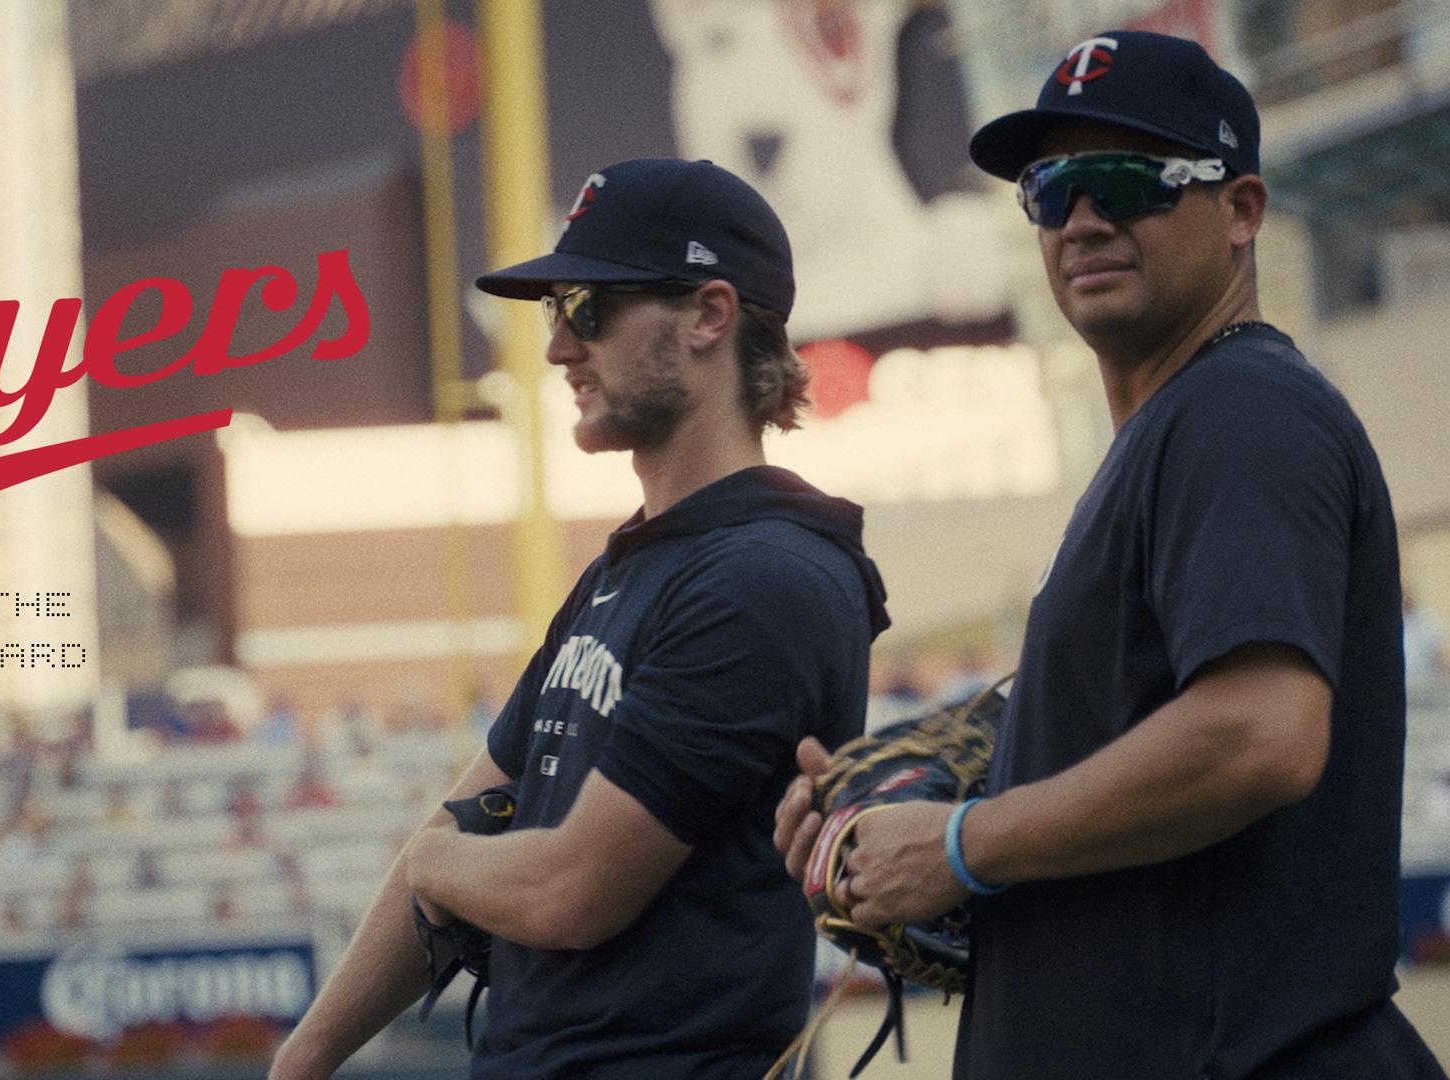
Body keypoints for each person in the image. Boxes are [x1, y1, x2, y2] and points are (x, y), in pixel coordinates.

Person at [772, 31, 1444, 1079]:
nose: (1083, 217)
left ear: (1241, 211)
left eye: (1128, 180)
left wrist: (960, 845)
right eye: (1051, 189)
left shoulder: (1241, 413)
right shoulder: (1177, 434)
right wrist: (894, 805)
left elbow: (1261, 735)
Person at [273, 158, 890, 1079]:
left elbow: (569, 889)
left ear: (709, 316)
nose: (559, 346)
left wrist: (441, 870)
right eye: (555, 310)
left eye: (590, 308)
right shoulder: (632, 563)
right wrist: (302, 1062)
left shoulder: (766, 575)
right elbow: (468, 817)